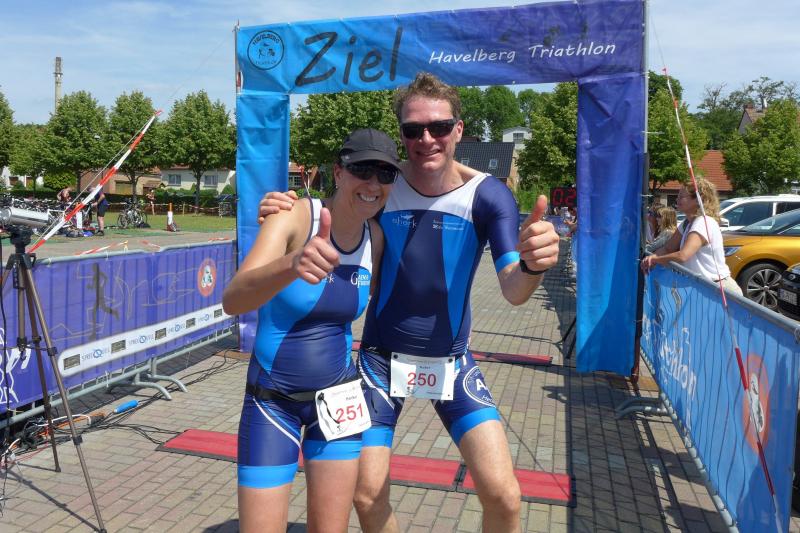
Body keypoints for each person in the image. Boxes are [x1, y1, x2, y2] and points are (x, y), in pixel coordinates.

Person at [259, 72, 560, 532]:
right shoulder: (382, 185)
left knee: (504, 497)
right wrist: (282, 208)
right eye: (413, 129)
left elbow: (514, 290)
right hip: (381, 362)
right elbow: (326, 213)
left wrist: (535, 266)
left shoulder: (488, 195)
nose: (427, 139)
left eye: (439, 127)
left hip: (452, 362)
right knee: (366, 493)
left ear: (459, 129)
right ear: (401, 134)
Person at [224, 128, 401, 533]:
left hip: (338, 402)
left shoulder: (375, 237)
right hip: (273, 404)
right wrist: (291, 264)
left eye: (385, 174)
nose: (373, 183)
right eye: (362, 170)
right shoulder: (293, 216)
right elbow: (233, 299)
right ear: (338, 172)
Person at [641, 177, 742, 295]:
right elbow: (668, 248)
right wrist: (651, 258)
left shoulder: (703, 222)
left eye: (681, 196)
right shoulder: (686, 223)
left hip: (719, 289)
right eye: (678, 196)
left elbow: (683, 255)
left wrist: (655, 259)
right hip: (704, 288)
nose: (677, 199)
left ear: (698, 200)